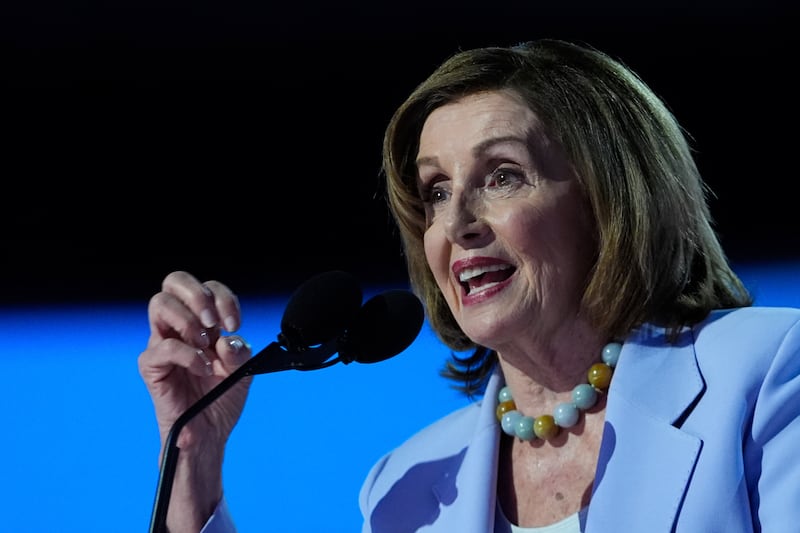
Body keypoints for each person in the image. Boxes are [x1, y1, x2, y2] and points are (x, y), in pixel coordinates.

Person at [138, 38, 800, 532]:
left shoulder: (764, 373)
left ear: (610, 199)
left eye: (503, 175)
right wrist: (192, 460)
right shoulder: (404, 486)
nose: (455, 223)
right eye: (436, 191)